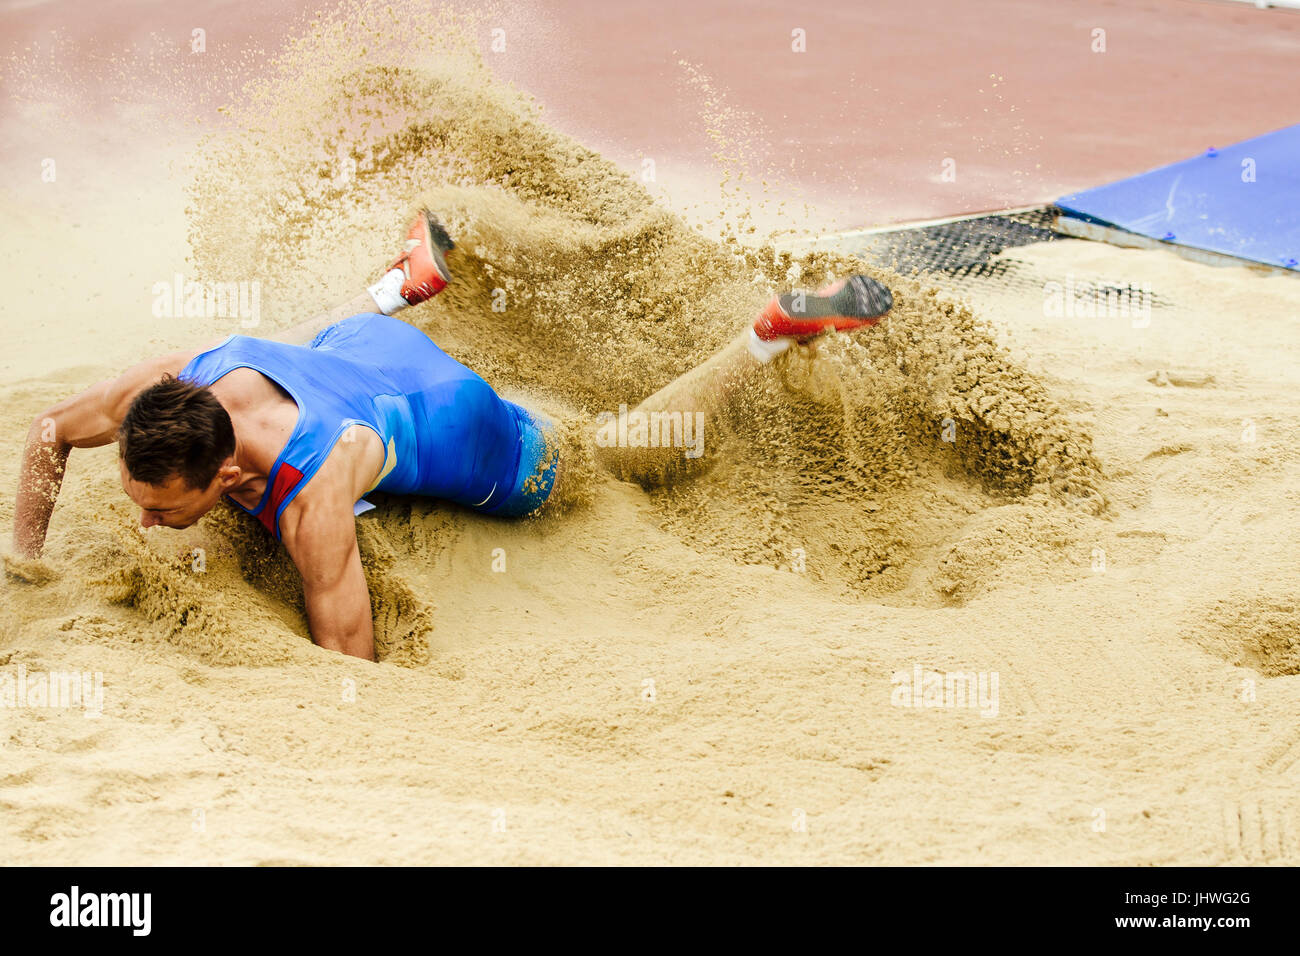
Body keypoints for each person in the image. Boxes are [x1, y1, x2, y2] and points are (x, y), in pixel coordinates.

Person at [11, 211, 893, 659]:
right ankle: (405, 283)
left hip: (459, 419)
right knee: (288, 341)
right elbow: (48, 433)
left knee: (615, 454)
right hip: (354, 350)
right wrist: (26, 558)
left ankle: (766, 335)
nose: (147, 523)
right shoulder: (181, 378)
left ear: (223, 468)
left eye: (166, 510)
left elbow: (349, 658)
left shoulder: (313, 498)